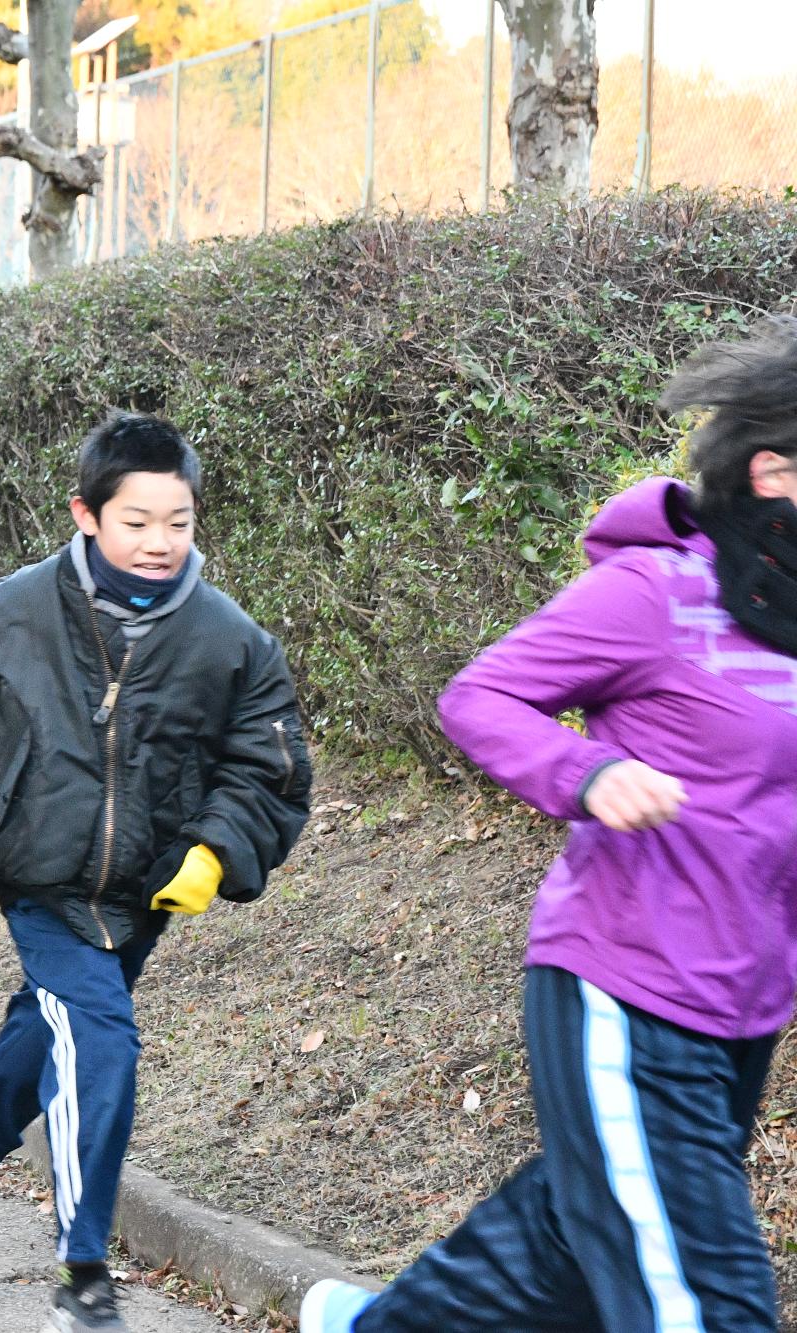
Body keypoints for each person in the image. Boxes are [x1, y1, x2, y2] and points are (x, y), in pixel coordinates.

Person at [300, 323, 797, 1333]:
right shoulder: (655, 593)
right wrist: (590, 769)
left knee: (568, 1247)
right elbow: (479, 697)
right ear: (773, 469)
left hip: (742, 1005)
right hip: (625, 989)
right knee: (701, 1301)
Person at [0, 411, 310, 1333]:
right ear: (85, 514)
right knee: (102, 1045)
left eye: (179, 522)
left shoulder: (232, 639)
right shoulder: (10, 610)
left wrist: (216, 851)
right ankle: (83, 1276)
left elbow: (267, 763)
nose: (159, 542)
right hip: (36, 874)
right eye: (137, 521)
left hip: (145, 888)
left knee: (49, 1040)